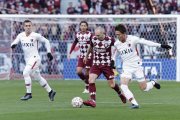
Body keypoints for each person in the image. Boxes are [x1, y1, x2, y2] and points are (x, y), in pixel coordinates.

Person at [113, 24, 172, 109]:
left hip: (137, 66)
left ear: (124, 33)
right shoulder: (117, 43)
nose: (117, 36)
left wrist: (161, 45)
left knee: (144, 88)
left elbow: (146, 42)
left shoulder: (133, 39)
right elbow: (115, 53)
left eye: (119, 34)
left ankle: (152, 82)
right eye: (116, 35)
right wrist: (112, 60)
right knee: (123, 86)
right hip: (126, 67)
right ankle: (134, 103)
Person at [11, 20, 56, 101]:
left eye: (29, 25)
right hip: (28, 60)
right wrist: (13, 45)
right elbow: (14, 42)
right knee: (38, 77)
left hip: (35, 58)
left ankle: (28, 94)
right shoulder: (20, 35)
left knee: (25, 73)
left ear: (31, 26)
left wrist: (49, 52)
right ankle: (51, 92)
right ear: (23, 27)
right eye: (26, 25)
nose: (28, 27)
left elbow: (46, 41)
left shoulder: (35, 35)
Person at [83, 27, 126, 108]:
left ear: (104, 33)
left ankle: (120, 94)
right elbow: (90, 46)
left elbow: (118, 47)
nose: (96, 37)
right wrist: (86, 56)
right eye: (95, 35)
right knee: (91, 80)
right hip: (96, 64)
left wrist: (115, 59)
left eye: (98, 35)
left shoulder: (110, 40)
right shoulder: (93, 39)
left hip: (107, 65)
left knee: (112, 85)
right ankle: (93, 101)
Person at [68, 21, 93, 93]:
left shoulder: (90, 34)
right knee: (78, 71)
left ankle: (87, 88)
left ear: (87, 27)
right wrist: (70, 53)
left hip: (89, 55)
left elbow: (93, 44)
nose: (83, 27)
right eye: (82, 25)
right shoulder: (78, 34)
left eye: (84, 25)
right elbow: (74, 43)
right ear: (80, 26)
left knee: (87, 72)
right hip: (81, 56)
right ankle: (87, 82)